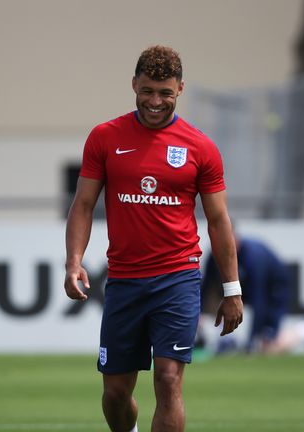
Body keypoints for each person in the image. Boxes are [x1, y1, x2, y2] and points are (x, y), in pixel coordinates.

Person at [64, 45, 244, 432]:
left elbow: (218, 221)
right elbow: (82, 205)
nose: (155, 101)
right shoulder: (104, 137)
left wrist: (232, 289)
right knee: (115, 392)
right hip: (125, 281)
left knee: (168, 378)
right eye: (147, 91)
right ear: (133, 85)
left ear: (180, 89)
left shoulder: (200, 147)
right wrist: (74, 262)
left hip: (177, 279)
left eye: (165, 92)